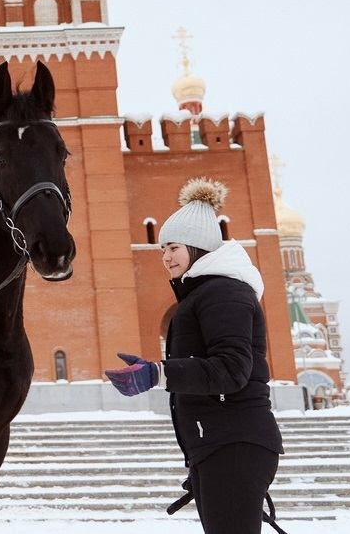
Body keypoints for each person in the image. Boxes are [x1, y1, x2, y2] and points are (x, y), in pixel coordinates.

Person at [104, 178, 285, 534]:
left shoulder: (223, 292)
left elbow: (232, 370)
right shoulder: (206, 294)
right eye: (162, 250)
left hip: (235, 443)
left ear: (197, 247)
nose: (165, 257)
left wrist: (158, 373)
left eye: (172, 247)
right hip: (219, 445)